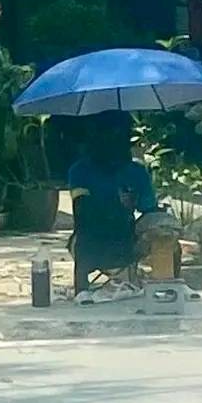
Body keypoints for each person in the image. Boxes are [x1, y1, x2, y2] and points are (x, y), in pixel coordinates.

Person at [68, 111, 157, 297]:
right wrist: (113, 207)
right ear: (93, 137)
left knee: (166, 235)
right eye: (106, 134)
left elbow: (149, 209)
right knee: (84, 235)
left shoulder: (137, 172)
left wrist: (133, 204)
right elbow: (81, 213)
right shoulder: (80, 171)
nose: (112, 140)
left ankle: (167, 286)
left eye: (119, 135)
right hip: (90, 237)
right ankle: (81, 291)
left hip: (127, 237)